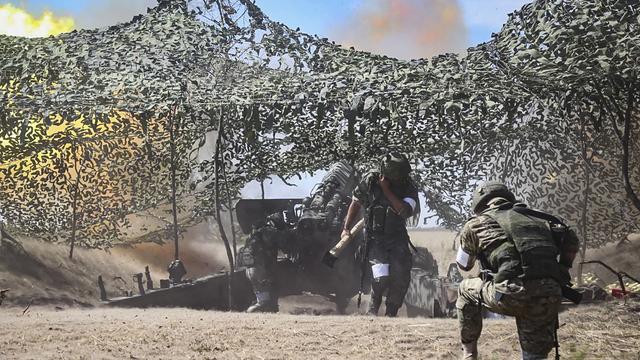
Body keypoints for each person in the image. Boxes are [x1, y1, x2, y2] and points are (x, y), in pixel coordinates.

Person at [456, 181, 580, 360]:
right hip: (548, 294)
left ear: (479, 205)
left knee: (465, 289)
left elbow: (464, 265)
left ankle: (469, 354)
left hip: (510, 294)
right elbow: (571, 238)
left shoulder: (476, 223)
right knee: (535, 356)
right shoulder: (538, 217)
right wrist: (563, 268)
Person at [342, 152, 419, 317]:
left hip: (397, 239)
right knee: (381, 277)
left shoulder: (409, 187)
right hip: (375, 240)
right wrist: (346, 227)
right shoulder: (371, 181)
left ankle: (391, 315)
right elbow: (356, 202)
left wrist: (386, 190)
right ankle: (372, 313)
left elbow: (403, 211)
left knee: (400, 277)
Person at [240, 211, 298, 313]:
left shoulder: (253, 235)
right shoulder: (269, 231)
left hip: (250, 270)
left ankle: (267, 314)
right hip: (260, 270)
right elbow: (284, 242)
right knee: (264, 302)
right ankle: (249, 314)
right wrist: (293, 231)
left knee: (268, 299)